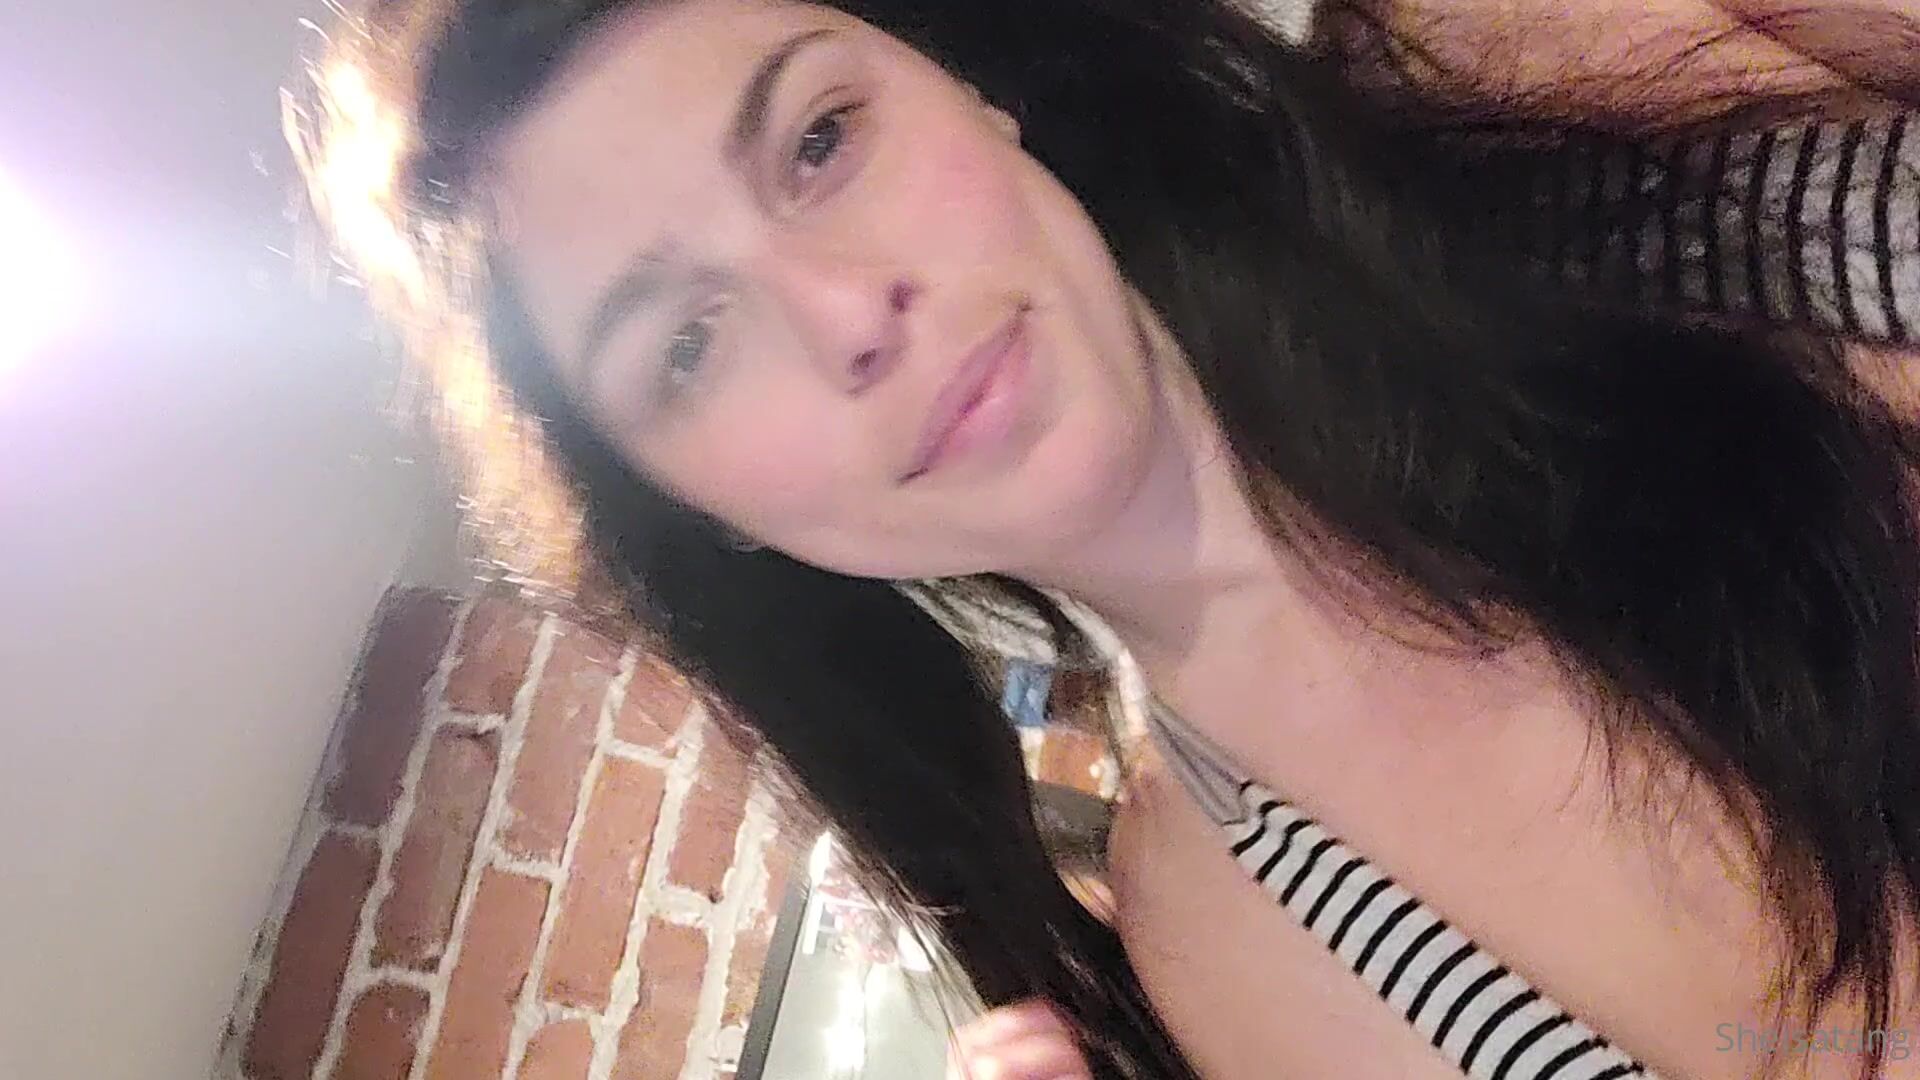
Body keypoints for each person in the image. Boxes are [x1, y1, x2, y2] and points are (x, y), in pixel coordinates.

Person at [286, 0, 1920, 1076]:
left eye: (822, 140)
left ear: (971, 91)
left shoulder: (1523, 56)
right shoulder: (1229, 938)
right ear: (714, 522)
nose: (848, 313)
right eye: (690, 346)